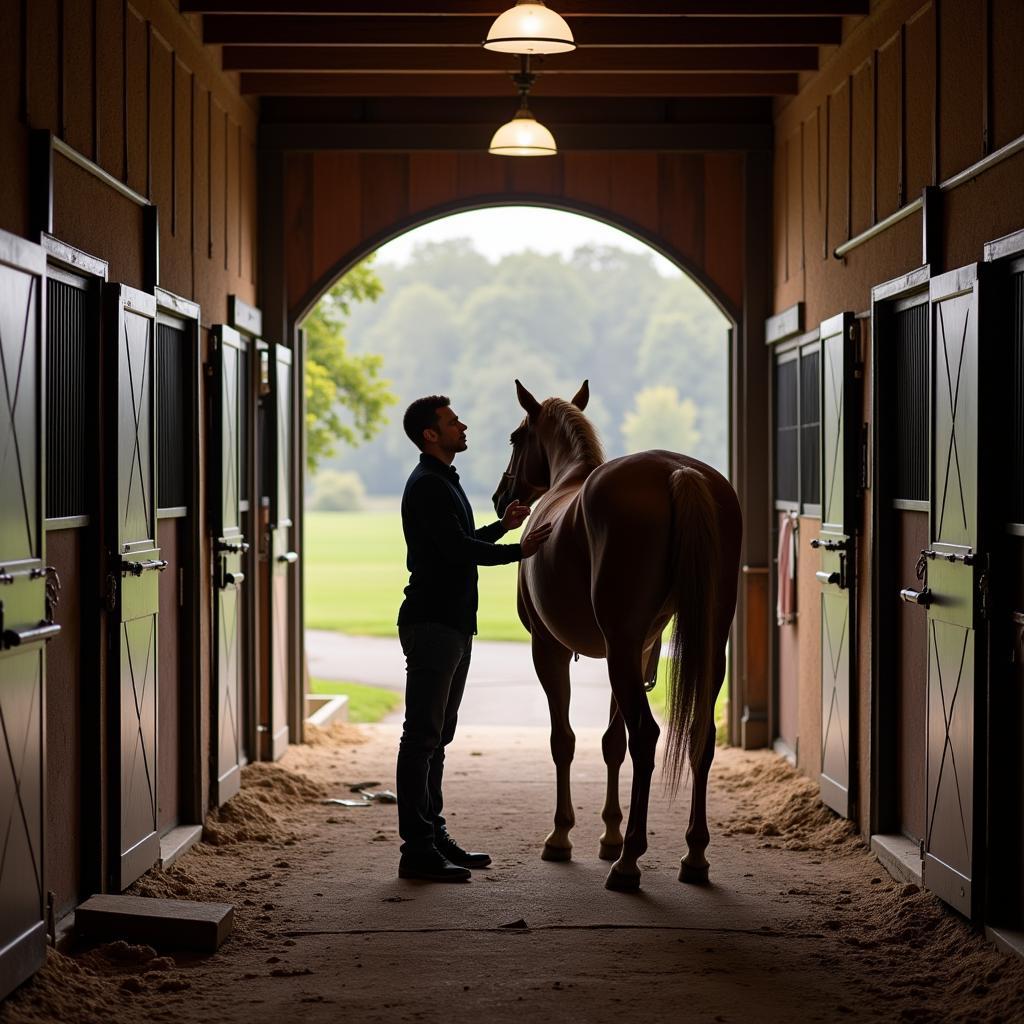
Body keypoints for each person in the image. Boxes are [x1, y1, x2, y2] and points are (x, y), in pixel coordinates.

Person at [395, 395, 552, 882]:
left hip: (452, 624)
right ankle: (417, 850)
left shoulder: (443, 481)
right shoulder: (428, 485)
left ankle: (433, 834)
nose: (463, 426)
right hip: (433, 624)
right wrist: (517, 549)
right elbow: (458, 551)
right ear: (431, 435)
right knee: (421, 738)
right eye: (452, 421)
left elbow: (457, 540)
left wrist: (500, 527)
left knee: (437, 738)